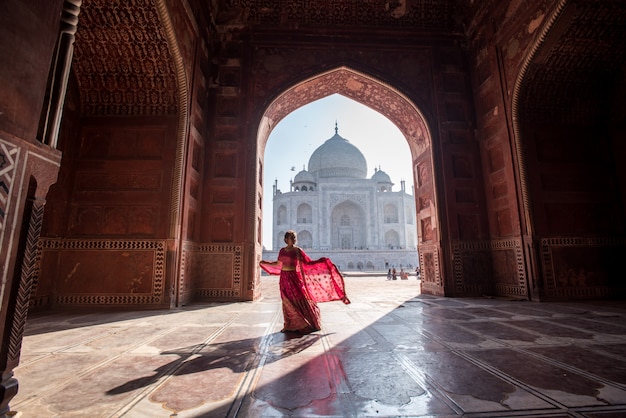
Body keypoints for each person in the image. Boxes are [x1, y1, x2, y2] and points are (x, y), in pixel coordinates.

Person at [260, 230, 350, 334]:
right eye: (292, 237)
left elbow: (308, 263)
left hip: (294, 277)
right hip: (284, 278)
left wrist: (322, 262)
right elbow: (278, 264)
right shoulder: (282, 251)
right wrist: (265, 263)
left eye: (295, 237)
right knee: (286, 301)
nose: (294, 239)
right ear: (286, 239)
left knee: (299, 299)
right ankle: (289, 325)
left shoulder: (298, 251)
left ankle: (304, 323)